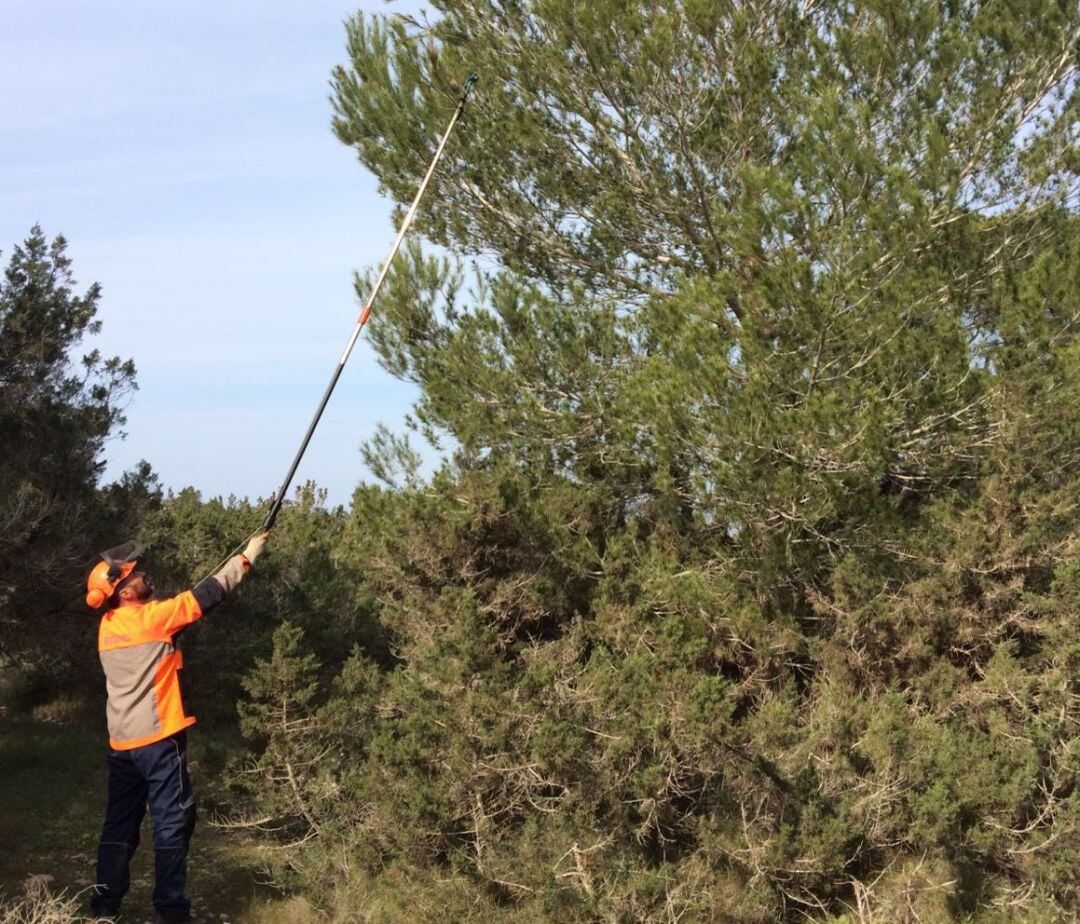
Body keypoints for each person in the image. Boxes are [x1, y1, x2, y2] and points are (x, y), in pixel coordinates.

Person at [84, 533, 269, 924]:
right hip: (159, 743)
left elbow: (167, 628)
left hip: (122, 745)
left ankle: (104, 907)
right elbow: (210, 593)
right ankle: (169, 911)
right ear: (126, 593)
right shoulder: (153, 619)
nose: (144, 574)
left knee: (119, 824)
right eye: (135, 575)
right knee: (172, 822)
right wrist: (248, 556)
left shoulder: (108, 626)